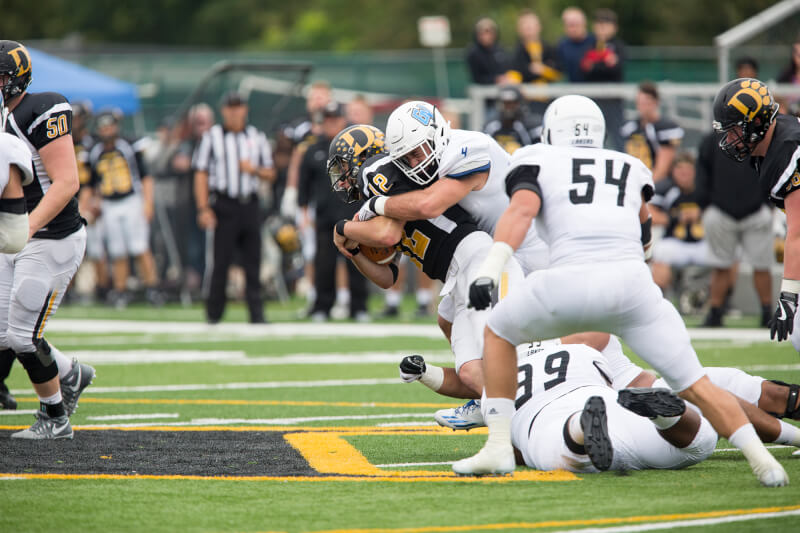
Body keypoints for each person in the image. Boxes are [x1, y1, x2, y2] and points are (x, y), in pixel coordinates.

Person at [454, 94, 787, 487]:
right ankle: (763, 461)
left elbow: (521, 212)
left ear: (550, 130)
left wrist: (490, 270)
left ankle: (496, 446)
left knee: (498, 332)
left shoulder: (535, 157)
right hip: (632, 286)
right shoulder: (631, 165)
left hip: (569, 282)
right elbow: (645, 233)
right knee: (696, 383)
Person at [331, 123, 524, 403]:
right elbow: (387, 277)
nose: (343, 179)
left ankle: (531, 413)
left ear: (363, 157)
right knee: (471, 371)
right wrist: (354, 253)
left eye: (344, 167)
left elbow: (388, 234)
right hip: (457, 275)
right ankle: (504, 407)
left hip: (476, 259)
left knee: (496, 353)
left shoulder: (374, 171)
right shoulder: (383, 195)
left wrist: (342, 230)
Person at [0, 40, 95, 437]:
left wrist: (26, 227)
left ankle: (55, 418)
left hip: (52, 236)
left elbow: (67, 182)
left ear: (16, 78)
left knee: (23, 335)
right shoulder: (4, 119)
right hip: (17, 234)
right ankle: (71, 373)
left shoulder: (42, 108)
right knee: (4, 331)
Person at [512, 342, 716, 473]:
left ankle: (579, 426)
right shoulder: (581, 350)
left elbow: (511, 447)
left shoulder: (500, 379)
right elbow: (609, 384)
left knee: (561, 456)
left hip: (545, 416)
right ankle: (666, 419)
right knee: (699, 445)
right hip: (606, 401)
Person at [712, 78, 800, 350]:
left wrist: (788, 295)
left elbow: (798, 234)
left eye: (735, 129)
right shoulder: (772, 145)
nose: (728, 139)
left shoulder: (787, 151)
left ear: (757, 122)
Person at [192, 91, 275, 324]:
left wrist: (253, 170)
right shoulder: (212, 137)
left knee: (253, 260)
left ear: (245, 109)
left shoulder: (257, 137)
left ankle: (256, 313)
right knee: (221, 261)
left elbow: (270, 173)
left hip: (250, 202)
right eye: (231, 107)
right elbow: (200, 173)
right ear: (223, 110)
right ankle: (214, 314)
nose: (235, 112)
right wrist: (203, 208)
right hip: (224, 204)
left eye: (238, 107)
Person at [696, 104, 774, 327]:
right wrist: (706, 203)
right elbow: (702, 172)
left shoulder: (759, 137)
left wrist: (767, 202)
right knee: (720, 265)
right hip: (721, 209)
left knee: (762, 265)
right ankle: (716, 311)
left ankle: (767, 311)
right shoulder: (711, 141)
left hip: (755, 210)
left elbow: (772, 166)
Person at [299, 102, 368, 322]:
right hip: (325, 217)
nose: (331, 124)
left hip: (354, 216)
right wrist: (303, 212)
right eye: (327, 119)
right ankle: (322, 306)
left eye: (335, 119)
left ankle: (358, 307)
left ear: (343, 120)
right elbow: (304, 185)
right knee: (324, 265)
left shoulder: (359, 149)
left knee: (357, 262)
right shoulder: (314, 150)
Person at [88, 109, 161, 309]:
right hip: (109, 204)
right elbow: (93, 184)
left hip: (131, 200)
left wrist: (148, 203)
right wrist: (93, 203)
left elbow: (146, 176)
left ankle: (152, 287)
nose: (107, 130)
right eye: (103, 127)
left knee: (139, 246)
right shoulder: (95, 151)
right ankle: (120, 290)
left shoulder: (128, 146)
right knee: (117, 250)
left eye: (110, 126)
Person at [650, 153, 713, 293]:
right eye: (680, 170)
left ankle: (720, 303)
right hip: (676, 243)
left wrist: (702, 215)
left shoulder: (704, 188)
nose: (684, 174)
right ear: (673, 171)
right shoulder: (666, 188)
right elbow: (650, 214)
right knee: (661, 252)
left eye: (688, 170)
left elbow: (721, 211)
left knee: (728, 254)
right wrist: (675, 218)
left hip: (702, 243)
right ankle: (660, 297)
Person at [621, 82, 684, 182]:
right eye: (640, 103)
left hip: (657, 183)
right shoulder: (630, 127)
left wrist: (647, 186)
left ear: (656, 102)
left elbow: (662, 168)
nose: (642, 107)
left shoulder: (666, 128)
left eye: (646, 103)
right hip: (634, 179)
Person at [582, 8, 625, 151]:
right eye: (599, 25)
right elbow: (585, 69)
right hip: (593, 100)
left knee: (617, 138)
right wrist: (603, 63)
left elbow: (615, 68)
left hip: (612, 100)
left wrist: (596, 65)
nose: (602, 29)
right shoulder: (589, 45)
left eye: (606, 25)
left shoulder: (618, 46)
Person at [506, 10, 560, 86]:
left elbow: (560, 75)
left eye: (531, 24)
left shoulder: (550, 49)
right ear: (519, 29)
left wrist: (544, 70)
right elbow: (513, 78)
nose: (528, 27)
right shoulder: (515, 54)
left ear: (539, 26)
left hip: (550, 96)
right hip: (526, 96)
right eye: (525, 24)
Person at [483, 85, 535, 154]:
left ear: (519, 103)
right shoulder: (491, 126)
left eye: (512, 103)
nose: (508, 108)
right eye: (505, 103)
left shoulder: (529, 126)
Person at [465, 17, 509, 86]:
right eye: (482, 32)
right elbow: (477, 78)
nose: (486, 36)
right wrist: (495, 79)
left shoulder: (499, 49)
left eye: (488, 32)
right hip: (482, 90)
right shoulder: (473, 53)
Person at [556, 7, 594, 83]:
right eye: (570, 25)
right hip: (570, 91)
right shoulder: (561, 45)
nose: (573, 29)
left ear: (584, 23)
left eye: (576, 24)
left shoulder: (595, 43)